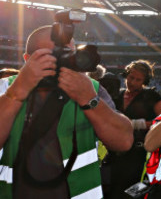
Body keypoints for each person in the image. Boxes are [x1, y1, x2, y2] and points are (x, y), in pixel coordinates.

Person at [0, 25, 133, 198]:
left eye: (68, 53)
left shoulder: (90, 88)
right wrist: (17, 91)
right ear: (28, 59)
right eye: (51, 54)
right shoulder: (6, 87)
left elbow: (123, 141)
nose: (62, 60)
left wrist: (89, 100)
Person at [104, 60, 161, 198]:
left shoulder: (151, 96)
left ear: (145, 81)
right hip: (112, 153)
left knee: (127, 194)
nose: (133, 82)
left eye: (138, 80)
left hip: (135, 154)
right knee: (105, 191)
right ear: (126, 74)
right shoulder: (116, 96)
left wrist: (139, 124)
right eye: (131, 77)